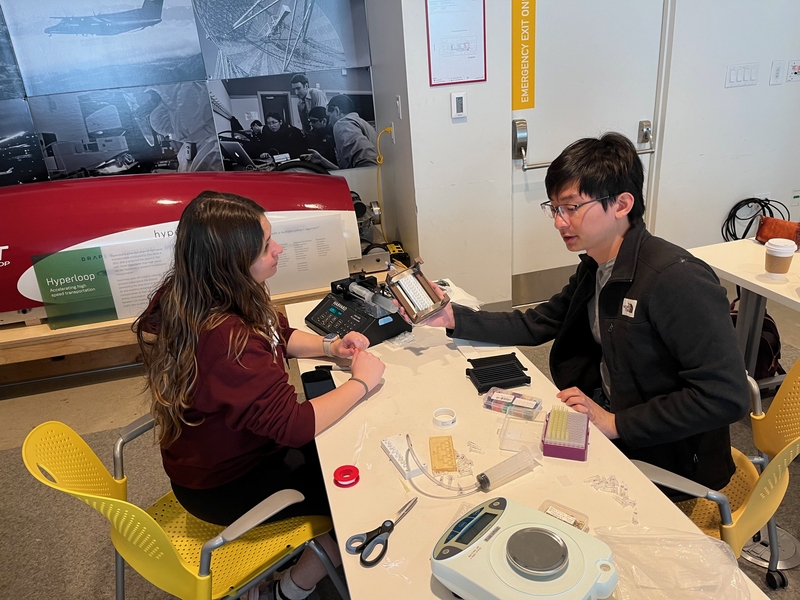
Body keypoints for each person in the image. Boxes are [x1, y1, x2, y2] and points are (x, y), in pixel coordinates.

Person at [420, 132, 749, 501]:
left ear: (622, 204)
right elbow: (539, 322)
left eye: (572, 207)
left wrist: (615, 423)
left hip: (665, 456)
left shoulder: (675, 280)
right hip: (609, 418)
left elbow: (726, 397)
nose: (560, 222)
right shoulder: (598, 264)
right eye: (555, 208)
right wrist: (453, 317)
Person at [134, 191, 385, 600]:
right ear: (232, 262)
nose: (279, 249)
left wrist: (329, 347)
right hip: (225, 486)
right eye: (266, 246)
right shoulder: (225, 340)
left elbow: (278, 335)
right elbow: (294, 426)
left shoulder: (198, 291)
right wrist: (361, 382)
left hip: (210, 462)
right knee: (363, 496)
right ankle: (288, 591)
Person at [304, 94, 378, 170]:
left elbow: (369, 165)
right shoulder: (361, 123)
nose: (329, 122)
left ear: (337, 111)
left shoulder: (343, 124)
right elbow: (350, 171)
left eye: (329, 116)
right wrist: (322, 160)